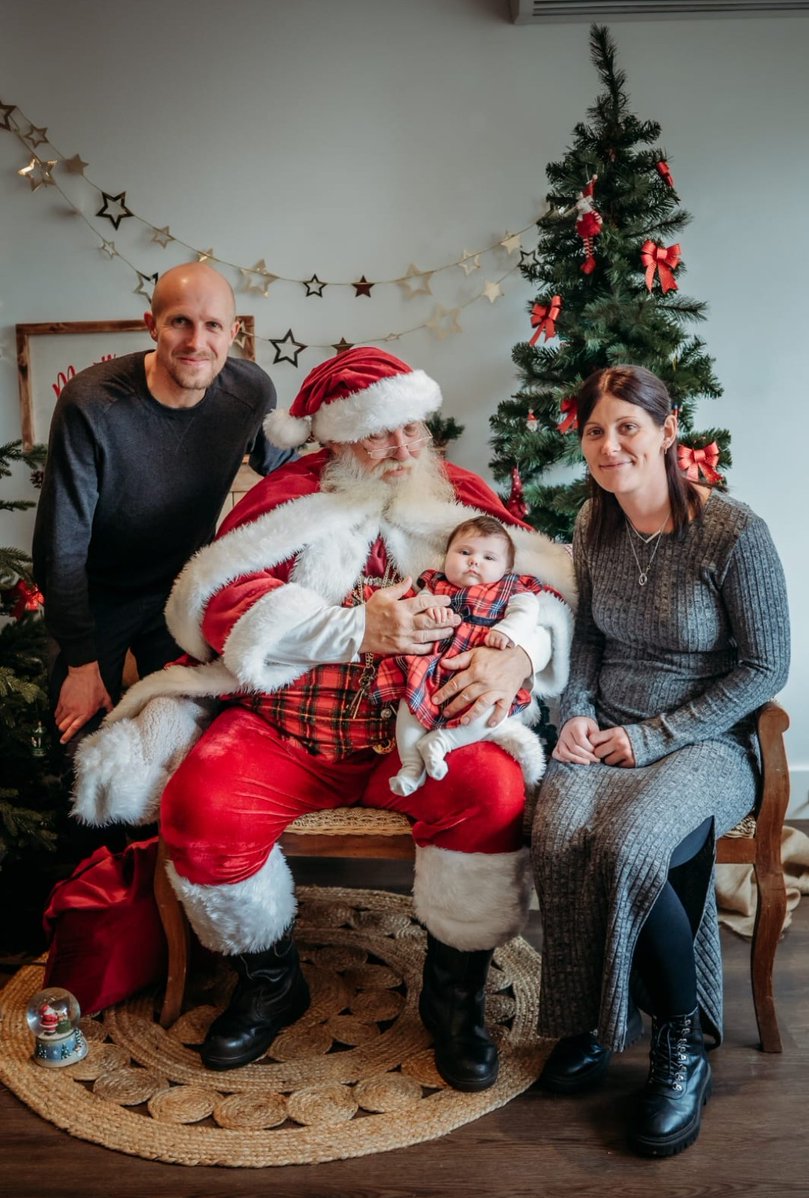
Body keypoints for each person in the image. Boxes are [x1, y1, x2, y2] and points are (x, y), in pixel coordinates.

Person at [72, 346, 574, 1092]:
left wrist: (521, 655)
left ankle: (453, 993)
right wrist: (352, 631)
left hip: (418, 733)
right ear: (336, 438)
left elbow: (546, 588)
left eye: (412, 430)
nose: (402, 450)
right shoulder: (285, 501)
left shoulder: (460, 498)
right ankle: (270, 982)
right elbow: (213, 604)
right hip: (288, 729)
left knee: (494, 796)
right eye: (379, 434)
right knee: (198, 809)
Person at [531, 364, 790, 1157]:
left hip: (704, 740)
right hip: (602, 725)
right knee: (556, 829)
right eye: (594, 432)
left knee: (628, 845)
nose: (609, 447)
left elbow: (765, 669)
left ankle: (681, 1044)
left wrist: (653, 736)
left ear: (667, 430)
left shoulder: (731, 533)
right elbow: (589, 639)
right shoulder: (591, 522)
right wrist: (572, 714)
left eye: (627, 428)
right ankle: (592, 1018)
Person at [32, 262, 291, 748]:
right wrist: (81, 662)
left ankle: (161, 827)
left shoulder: (250, 392)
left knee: (183, 740)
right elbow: (60, 547)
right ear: (152, 326)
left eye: (213, 325)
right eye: (180, 322)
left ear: (232, 333)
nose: (197, 341)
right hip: (94, 595)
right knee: (79, 739)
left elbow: (288, 470)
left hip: (182, 589)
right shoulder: (91, 403)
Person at [374, 515, 566, 796]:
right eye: (464, 552)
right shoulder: (436, 585)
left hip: (484, 668)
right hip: (433, 665)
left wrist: (509, 632)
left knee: (489, 713)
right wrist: (430, 611)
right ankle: (411, 765)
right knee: (410, 706)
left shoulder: (512, 588)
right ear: (446, 557)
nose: (474, 561)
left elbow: (528, 612)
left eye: (489, 557)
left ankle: (442, 742)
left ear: (507, 567)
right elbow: (416, 607)